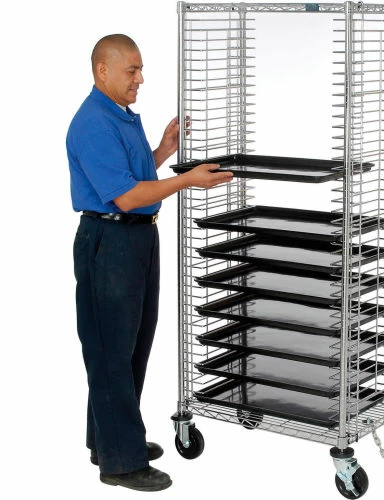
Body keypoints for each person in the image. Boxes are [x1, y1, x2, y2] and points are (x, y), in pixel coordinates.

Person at [66, 34, 233, 492]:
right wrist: (188, 182)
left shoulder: (119, 115)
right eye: (132, 70)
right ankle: (121, 463)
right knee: (111, 350)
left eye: (140, 69)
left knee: (131, 344)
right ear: (103, 70)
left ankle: (108, 440)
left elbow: (134, 177)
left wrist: (164, 150)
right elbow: (125, 195)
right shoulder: (93, 123)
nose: (140, 78)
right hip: (110, 241)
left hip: (137, 238)